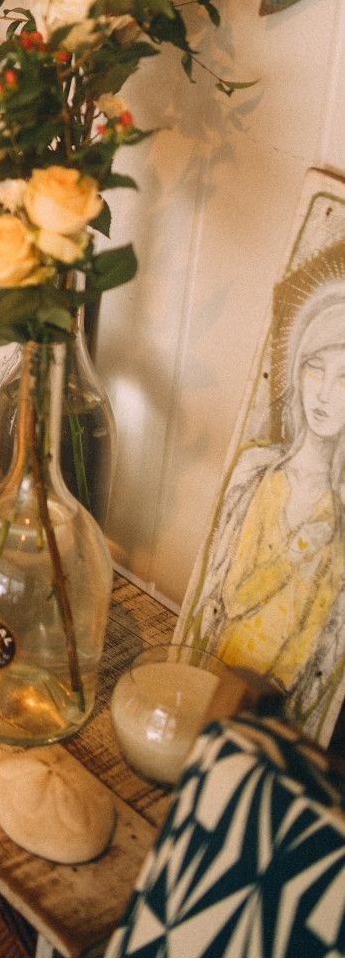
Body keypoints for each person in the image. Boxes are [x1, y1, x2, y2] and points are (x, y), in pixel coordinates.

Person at [186, 287, 345, 736]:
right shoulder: (266, 479)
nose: (325, 394)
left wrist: (280, 697)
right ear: (297, 374)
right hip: (221, 677)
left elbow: (313, 636)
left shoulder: (337, 516)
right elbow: (235, 595)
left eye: (344, 379)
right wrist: (297, 549)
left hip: (271, 715)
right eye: (316, 369)